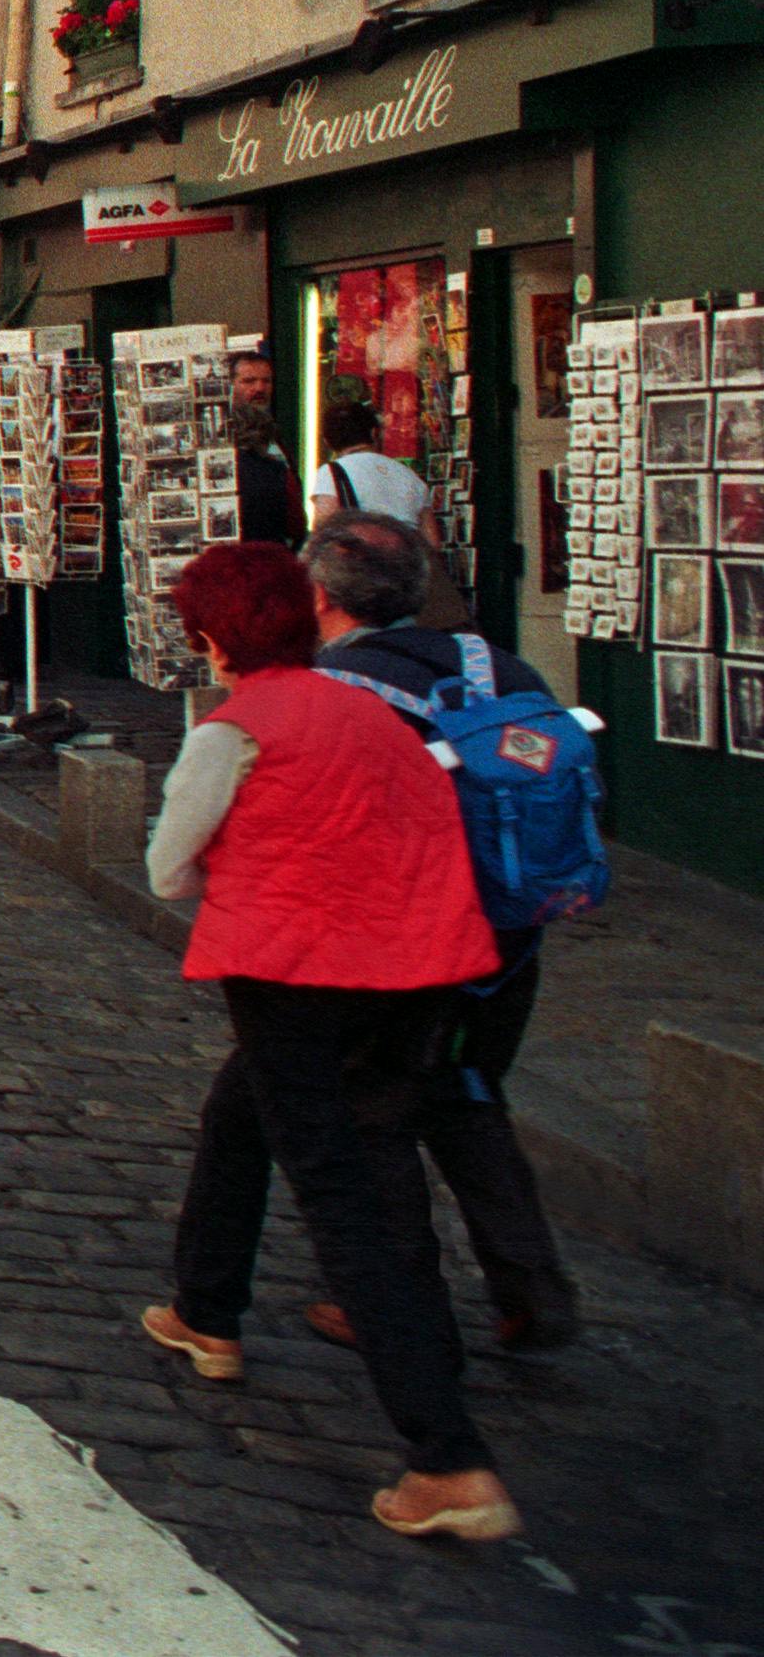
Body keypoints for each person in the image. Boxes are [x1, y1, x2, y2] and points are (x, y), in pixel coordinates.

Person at [139, 538, 516, 1542]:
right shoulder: (371, 711)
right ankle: (205, 1306)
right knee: (239, 1114)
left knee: (343, 1197)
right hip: (422, 971)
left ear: (214, 641)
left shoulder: (237, 728)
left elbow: (170, 871)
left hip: (302, 974)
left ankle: (446, 1455)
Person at [300, 513, 580, 1351]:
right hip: (510, 932)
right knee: (466, 1093)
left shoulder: (335, 688)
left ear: (320, 596)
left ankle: (390, 1294)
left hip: (405, 933)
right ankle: (533, 1288)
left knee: (373, 1105)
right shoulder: (500, 664)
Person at [309, 402, 434, 529]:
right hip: (406, 547)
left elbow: (323, 527)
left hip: (361, 548)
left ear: (327, 442)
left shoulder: (331, 472)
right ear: (374, 433)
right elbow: (432, 542)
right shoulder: (410, 476)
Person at [230, 347, 307, 547]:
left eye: (266, 381)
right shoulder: (223, 439)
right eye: (249, 381)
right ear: (231, 386)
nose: (259, 388)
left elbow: (295, 519)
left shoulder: (274, 437)